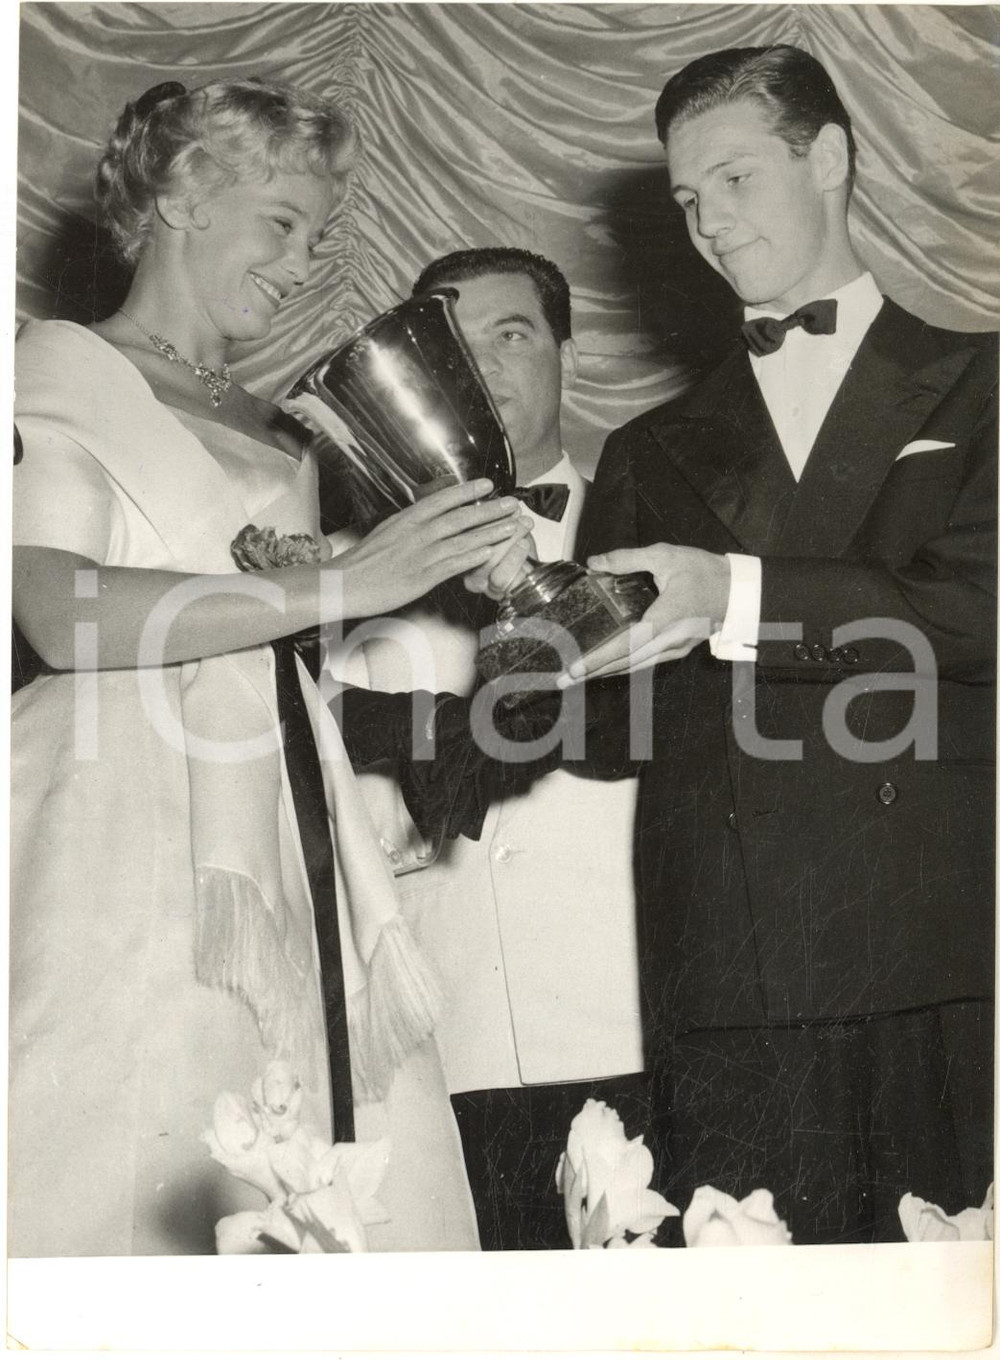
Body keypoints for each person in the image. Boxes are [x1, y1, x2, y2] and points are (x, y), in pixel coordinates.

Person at [10, 76, 534, 1256]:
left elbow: (276, 620)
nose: (304, 265)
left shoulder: (273, 423)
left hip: (285, 806)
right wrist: (352, 578)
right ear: (184, 197)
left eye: (315, 235)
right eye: (281, 224)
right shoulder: (56, 371)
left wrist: (434, 557)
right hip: (119, 811)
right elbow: (58, 611)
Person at [565, 45, 996, 1243]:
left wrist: (730, 595)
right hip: (730, 950)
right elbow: (609, 732)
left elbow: (976, 608)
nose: (707, 223)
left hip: (940, 928)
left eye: (735, 179)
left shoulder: (982, 385)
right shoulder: (649, 449)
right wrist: (542, 621)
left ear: (833, 158)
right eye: (687, 200)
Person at [329, 247, 646, 1250]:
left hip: (627, 1022)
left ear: (564, 349)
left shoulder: (654, 533)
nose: (484, 370)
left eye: (511, 334)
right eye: (451, 351)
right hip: (439, 1050)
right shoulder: (349, 577)